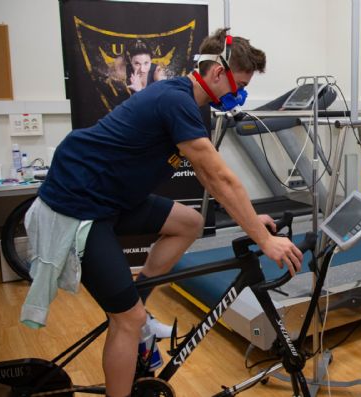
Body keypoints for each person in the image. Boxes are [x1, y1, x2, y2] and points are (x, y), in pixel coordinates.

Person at [24, 28, 303, 397]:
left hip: (113, 199)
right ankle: (132, 329)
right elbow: (219, 176)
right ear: (218, 73)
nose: (240, 94)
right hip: (79, 205)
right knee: (127, 322)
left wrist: (250, 218)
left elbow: (211, 175)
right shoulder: (176, 100)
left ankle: (139, 302)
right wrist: (263, 238)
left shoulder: (189, 104)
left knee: (190, 222)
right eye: (240, 84)